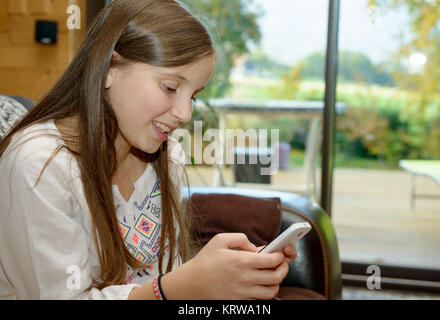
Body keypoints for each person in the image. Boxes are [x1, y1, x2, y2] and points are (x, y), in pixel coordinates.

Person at [0, 0, 297, 300]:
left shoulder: (165, 159)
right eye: (170, 87)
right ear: (109, 69)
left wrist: (225, 276)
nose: (185, 113)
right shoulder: (38, 165)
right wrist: (173, 289)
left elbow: (160, 276)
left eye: (193, 95)